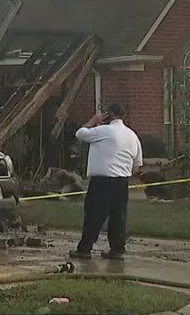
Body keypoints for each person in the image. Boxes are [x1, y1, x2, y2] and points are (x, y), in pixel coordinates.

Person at [69, 101, 143, 260]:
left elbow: (80, 134)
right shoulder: (132, 135)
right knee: (118, 217)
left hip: (102, 181)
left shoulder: (103, 131)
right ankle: (117, 250)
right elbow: (137, 164)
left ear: (109, 114)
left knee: (94, 215)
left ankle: (85, 249)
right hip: (122, 182)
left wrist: (93, 121)